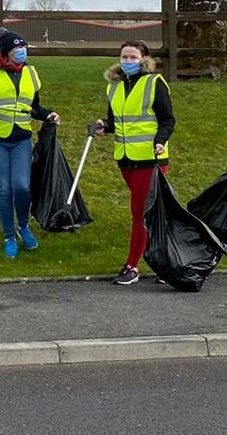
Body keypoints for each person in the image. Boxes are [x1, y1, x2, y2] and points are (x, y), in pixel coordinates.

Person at [0, 30, 60, 258]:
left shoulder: (30, 73)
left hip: (21, 138)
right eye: (18, 49)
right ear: (6, 53)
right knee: (5, 189)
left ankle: (24, 227)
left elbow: (33, 107)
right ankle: (9, 236)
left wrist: (48, 115)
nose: (23, 52)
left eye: (24, 48)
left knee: (22, 186)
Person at [94, 40, 174, 286]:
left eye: (132, 57)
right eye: (124, 57)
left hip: (150, 159)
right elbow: (115, 122)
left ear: (143, 59)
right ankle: (165, 262)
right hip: (126, 159)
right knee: (150, 214)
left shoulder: (154, 83)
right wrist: (103, 127)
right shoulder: (114, 87)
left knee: (140, 213)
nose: (127, 61)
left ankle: (133, 265)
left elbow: (167, 120)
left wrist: (160, 141)